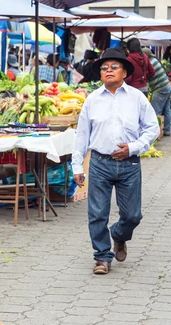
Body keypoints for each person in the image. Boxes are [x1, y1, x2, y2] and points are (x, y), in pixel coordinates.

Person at [72, 47, 159, 275]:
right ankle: (102, 257)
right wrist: (76, 165)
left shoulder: (137, 98)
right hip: (100, 163)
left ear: (124, 72)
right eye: (104, 68)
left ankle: (119, 235)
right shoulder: (92, 100)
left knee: (133, 215)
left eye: (114, 67)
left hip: (129, 164)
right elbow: (82, 135)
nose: (108, 70)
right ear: (100, 74)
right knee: (97, 213)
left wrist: (133, 147)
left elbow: (153, 128)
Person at [143, 48, 171, 137]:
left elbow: (147, 76)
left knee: (156, 111)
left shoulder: (150, 63)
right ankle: (167, 130)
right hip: (166, 87)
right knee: (167, 110)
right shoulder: (154, 59)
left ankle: (156, 133)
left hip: (160, 89)